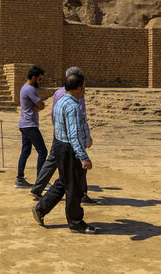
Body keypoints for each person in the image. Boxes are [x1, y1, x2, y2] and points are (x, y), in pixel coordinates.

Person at [32, 73, 99, 234]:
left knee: (63, 182)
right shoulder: (73, 107)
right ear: (78, 88)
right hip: (70, 150)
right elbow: (73, 134)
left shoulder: (61, 101)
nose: (84, 89)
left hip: (61, 146)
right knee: (75, 187)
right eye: (83, 86)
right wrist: (83, 157)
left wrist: (86, 138)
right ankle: (76, 223)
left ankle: (41, 209)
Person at [15, 66, 48, 188]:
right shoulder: (30, 89)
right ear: (33, 78)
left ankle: (20, 179)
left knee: (25, 151)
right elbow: (41, 105)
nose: (40, 82)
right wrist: (40, 106)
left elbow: (38, 106)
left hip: (24, 124)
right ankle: (41, 181)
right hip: (30, 125)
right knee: (43, 151)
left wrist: (38, 106)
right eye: (39, 79)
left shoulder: (24, 87)